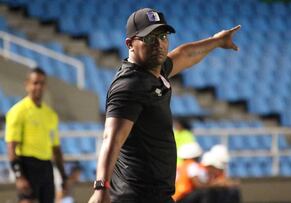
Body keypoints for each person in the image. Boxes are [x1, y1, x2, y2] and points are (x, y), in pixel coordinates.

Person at [88, 7, 240, 203]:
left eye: (163, 36)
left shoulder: (154, 71)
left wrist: (217, 41)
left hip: (157, 195)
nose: (159, 43)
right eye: (150, 38)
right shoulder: (129, 85)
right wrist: (101, 187)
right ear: (130, 43)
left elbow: (185, 55)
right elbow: (112, 137)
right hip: (135, 196)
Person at [5, 68, 68, 203]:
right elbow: (11, 148)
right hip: (27, 166)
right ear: (27, 84)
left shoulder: (51, 115)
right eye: (35, 83)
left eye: (41, 83)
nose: (38, 87)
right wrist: (19, 177)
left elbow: (56, 148)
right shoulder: (17, 111)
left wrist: (64, 176)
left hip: (46, 168)